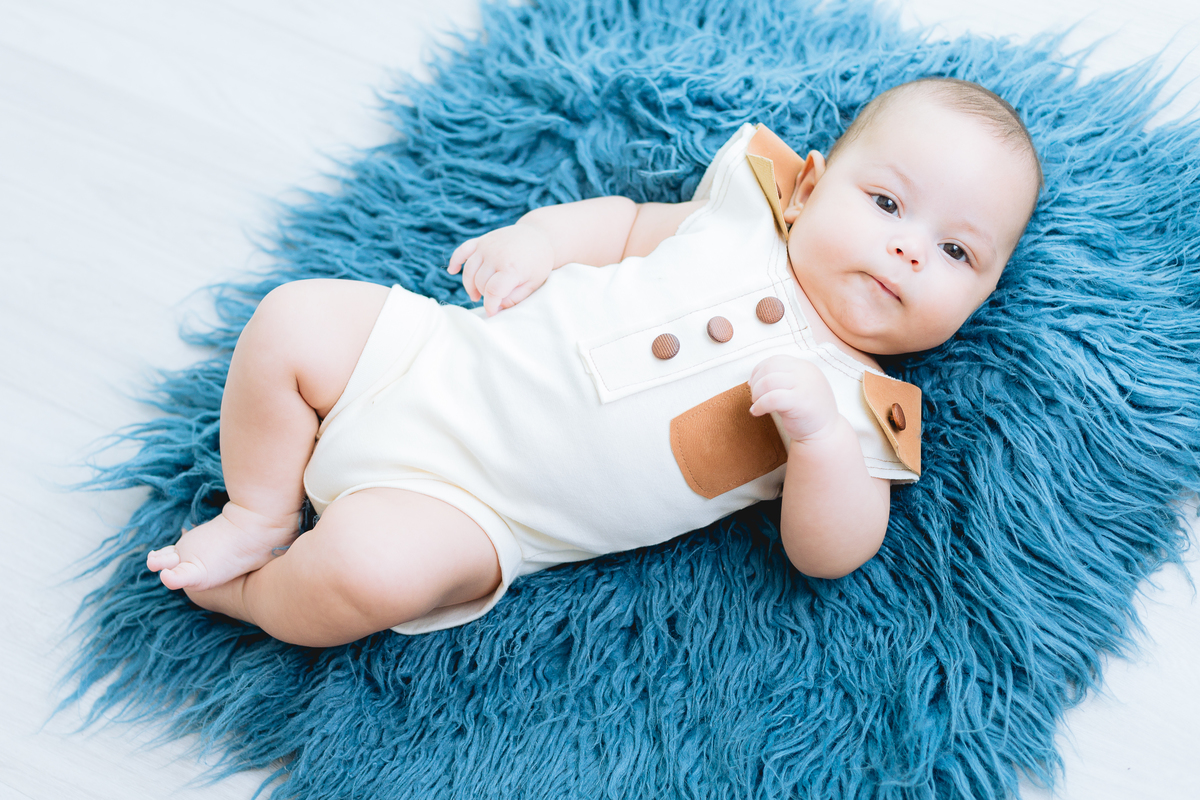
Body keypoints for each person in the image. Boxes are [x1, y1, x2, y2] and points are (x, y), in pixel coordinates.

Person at [146, 77, 1042, 647]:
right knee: (293, 319)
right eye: (887, 202)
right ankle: (260, 509)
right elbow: (620, 226)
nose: (911, 251)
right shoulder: (740, 217)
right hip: (431, 359)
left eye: (959, 254)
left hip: (474, 510)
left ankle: (256, 596)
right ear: (807, 189)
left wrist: (817, 442)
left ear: (982, 294)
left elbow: (830, 554)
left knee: (363, 576)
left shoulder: (858, 408)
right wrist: (539, 239)